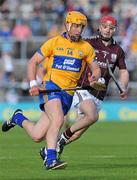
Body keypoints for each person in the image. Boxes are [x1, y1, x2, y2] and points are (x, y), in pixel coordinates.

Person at [1, 11, 101, 170]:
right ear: (68, 25)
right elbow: (32, 62)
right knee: (58, 119)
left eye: (81, 27)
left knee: (36, 135)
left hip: (68, 94)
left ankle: (17, 117)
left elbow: (96, 68)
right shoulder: (54, 42)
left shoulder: (86, 48)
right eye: (75, 26)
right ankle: (51, 159)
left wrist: (94, 77)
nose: (78, 30)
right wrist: (33, 84)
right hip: (51, 88)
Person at [51, 15, 129, 160]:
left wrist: (123, 87)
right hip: (83, 88)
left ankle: (53, 147)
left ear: (115, 30)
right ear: (99, 27)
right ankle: (59, 140)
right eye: (105, 27)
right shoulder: (88, 43)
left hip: (99, 95)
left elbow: (123, 71)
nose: (107, 30)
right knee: (92, 116)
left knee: (78, 133)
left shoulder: (118, 50)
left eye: (111, 28)